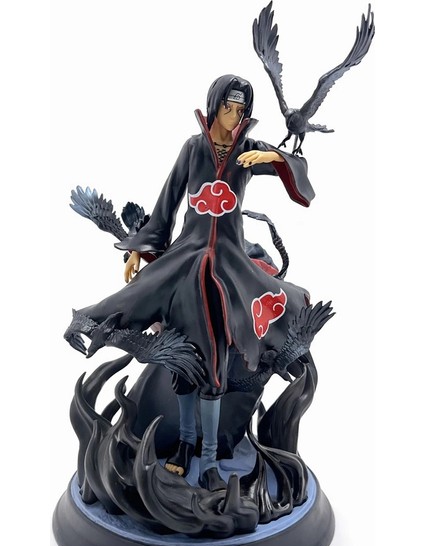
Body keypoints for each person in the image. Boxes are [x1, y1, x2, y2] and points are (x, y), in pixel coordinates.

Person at [65, 74, 315, 492]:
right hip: (188, 262)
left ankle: (210, 457)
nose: (233, 116)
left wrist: (271, 156)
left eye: (241, 110)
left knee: (214, 367)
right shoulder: (193, 149)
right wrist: (139, 249)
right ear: (215, 105)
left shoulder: (247, 151)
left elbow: (297, 169)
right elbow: (166, 203)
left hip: (229, 268)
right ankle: (184, 447)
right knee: (183, 361)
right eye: (228, 107)